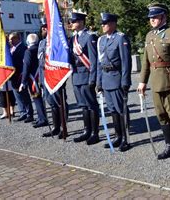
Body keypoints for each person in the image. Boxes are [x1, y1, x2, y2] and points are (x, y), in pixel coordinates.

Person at [137, 3, 170, 161]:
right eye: (150, 17)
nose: (152, 20)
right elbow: (145, 62)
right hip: (155, 82)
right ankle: (168, 146)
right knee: (161, 115)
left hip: (169, 80)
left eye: (155, 17)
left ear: (164, 16)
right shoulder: (149, 36)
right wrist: (142, 82)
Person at [97, 12, 132, 152]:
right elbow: (100, 63)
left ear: (112, 23)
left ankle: (125, 139)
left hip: (117, 78)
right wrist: (99, 82)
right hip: (106, 79)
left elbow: (126, 62)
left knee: (121, 110)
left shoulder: (120, 38)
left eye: (105, 23)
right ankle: (118, 136)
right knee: (112, 110)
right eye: (102, 24)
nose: (103, 26)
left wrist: (125, 82)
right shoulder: (102, 40)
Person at [69, 12, 100, 145]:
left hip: (86, 75)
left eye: (74, 21)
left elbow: (93, 61)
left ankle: (95, 133)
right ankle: (86, 131)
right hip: (76, 75)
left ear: (81, 22)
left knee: (91, 105)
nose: (71, 23)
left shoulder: (90, 37)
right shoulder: (72, 39)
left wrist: (93, 79)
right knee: (83, 106)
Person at [38, 22, 67, 138]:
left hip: (54, 76)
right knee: (51, 103)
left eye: (46, 27)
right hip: (45, 76)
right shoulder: (41, 42)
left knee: (59, 103)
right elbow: (40, 63)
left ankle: (63, 128)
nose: (44, 29)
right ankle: (55, 127)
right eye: (43, 27)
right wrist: (40, 79)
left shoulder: (56, 42)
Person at [19, 33, 49, 128]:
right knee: (40, 98)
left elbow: (26, 66)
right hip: (42, 75)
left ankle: (42, 119)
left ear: (28, 41)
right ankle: (41, 117)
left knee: (37, 98)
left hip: (33, 77)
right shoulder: (40, 48)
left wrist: (23, 81)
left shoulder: (28, 51)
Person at [9, 32, 35, 123]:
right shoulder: (12, 49)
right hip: (13, 76)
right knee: (17, 96)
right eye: (9, 39)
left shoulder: (23, 48)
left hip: (20, 75)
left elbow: (24, 63)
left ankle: (29, 113)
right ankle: (22, 112)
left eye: (12, 38)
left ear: (18, 38)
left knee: (24, 95)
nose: (10, 40)